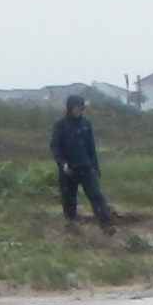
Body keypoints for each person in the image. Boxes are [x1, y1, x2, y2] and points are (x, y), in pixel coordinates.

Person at [50, 93, 115, 231]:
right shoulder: (60, 125)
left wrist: (95, 167)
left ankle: (106, 225)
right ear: (70, 108)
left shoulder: (86, 124)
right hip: (68, 169)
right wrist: (63, 163)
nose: (78, 111)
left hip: (86, 167)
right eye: (76, 108)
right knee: (69, 199)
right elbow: (55, 147)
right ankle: (71, 226)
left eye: (81, 108)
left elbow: (91, 147)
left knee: (96, 195)